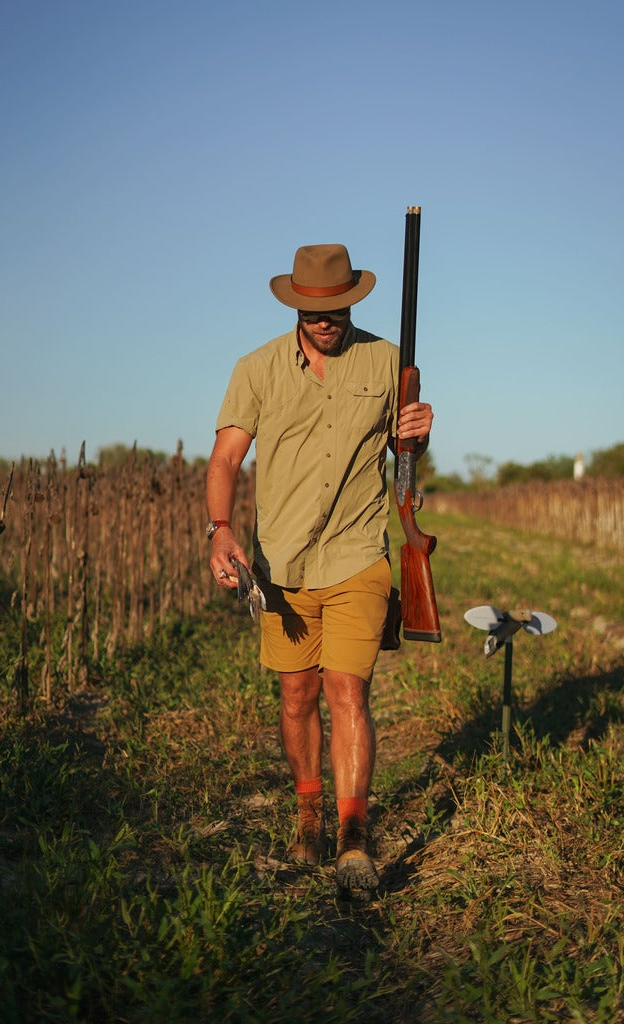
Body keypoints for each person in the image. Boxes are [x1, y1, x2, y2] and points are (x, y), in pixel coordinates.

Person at [206, 242, 433, 895]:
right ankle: (308, 818)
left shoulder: (387, 361)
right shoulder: (255, 368)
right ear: (296, 305)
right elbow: (224, 460)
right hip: (280, 562)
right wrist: (220, 530)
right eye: (312, 308)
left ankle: (353, 839)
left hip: (359, 553)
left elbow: (405, 450)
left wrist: (418, 428)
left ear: (351, 301)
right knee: (296, 696)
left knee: (346, 692)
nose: (324, 318)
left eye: (335, 306)